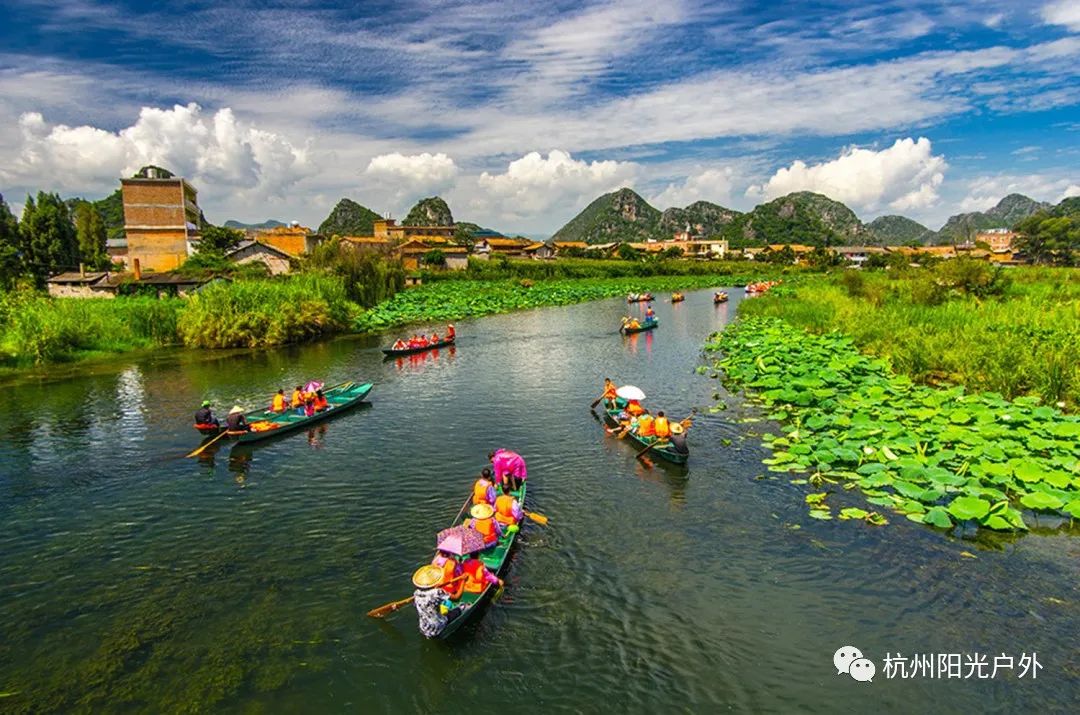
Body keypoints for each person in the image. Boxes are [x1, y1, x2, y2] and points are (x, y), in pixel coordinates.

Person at [412, 565, 456, 638]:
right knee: (463, 607)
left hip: (424, 627)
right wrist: (463, 581)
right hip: (438, 627)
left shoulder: (416, 593)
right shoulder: (437, 592)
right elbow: (456, 598)